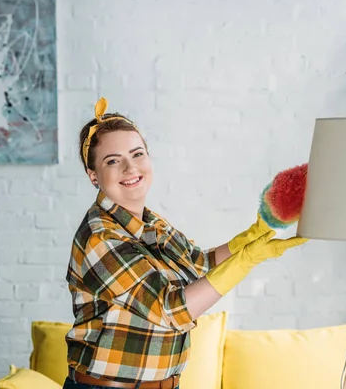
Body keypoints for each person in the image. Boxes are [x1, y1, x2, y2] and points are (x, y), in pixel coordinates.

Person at [64, 97, 307, 389]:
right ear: (94, 175)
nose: (130, 167)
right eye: (113, 161)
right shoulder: (100, 236)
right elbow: (171, 310)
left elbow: (199, 263)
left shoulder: (150, 223)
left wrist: (251, 236)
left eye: (137, 154)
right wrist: (246, 261)